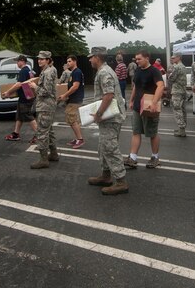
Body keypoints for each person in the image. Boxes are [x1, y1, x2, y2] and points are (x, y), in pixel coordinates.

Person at [87, 47, 128, 195]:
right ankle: (106, 176)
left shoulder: (104, 72)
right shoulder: (104, 70)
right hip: (108, 117)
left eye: (91, 57)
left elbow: (109, 95)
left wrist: (98, 114)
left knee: (110, 147)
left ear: (97, 57)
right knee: (103, 146)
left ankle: (121, 181)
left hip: (110, 118)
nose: (90, 60)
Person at [126, 50, 165, 169]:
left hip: (149, 106)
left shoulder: (154, 71)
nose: (137, 61)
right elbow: (135, 86)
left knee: (152, 133)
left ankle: (155, 157)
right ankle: (132, 158)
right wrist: (131, 100)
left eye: (139, 59)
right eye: (136, 59)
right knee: (136, 132)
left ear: (147, 58)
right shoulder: (138, 70)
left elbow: (161, 86)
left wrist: (154, 102)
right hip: (138, 106)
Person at [29, 51, 59, 169]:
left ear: (48, 60)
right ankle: (54, 154)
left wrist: (34, 87)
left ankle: (43, 159)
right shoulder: (50, 70)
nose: (39, 61)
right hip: (48, 105)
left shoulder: (47, 72)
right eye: (39, 59)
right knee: (49, 130)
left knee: (42, 132)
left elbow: (45, 91)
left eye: (42, 59)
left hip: (45, 106)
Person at [2, 55, 38, 144]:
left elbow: (19, 84)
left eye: (17, 61)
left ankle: (39, 135)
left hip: (26, 98)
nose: (17, 63)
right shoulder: (29, 70)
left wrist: (8, 92)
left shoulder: (23, 71)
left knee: (27, 115)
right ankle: (16, 134)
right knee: (19, 116)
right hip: (26, 96)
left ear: (22, 61)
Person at [58, 55, 86, 149]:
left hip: (75, 100)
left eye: (70, 61)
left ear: (75, 61)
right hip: (73, 99)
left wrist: (65, 95)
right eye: (67, 61)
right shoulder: (73, 72)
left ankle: (80, 139)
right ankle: (77, 138)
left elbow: (75, 86)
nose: (68, 63)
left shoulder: (77, 72)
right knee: (71, 120)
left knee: (73, 120)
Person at [168, 52, 188, 137]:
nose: (172, 59)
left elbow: (171, 78)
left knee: (177, 109)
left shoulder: (176, 67)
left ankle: (181, 129)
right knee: (182, 109)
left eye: (174, 58)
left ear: (178, 58)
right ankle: (182, 127)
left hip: (177, 91)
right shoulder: (183, 66)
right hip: (182, 90)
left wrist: (169, 75)